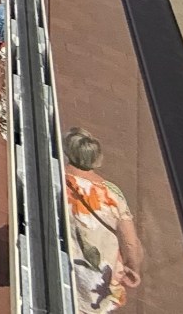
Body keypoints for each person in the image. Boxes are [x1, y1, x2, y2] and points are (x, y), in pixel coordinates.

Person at [63, 127, 144, 312]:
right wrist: (133, 267)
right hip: (97, 276)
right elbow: (130, 242)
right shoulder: (112, 193)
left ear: (68, 152)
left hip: (64, 265)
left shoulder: (56, 178)